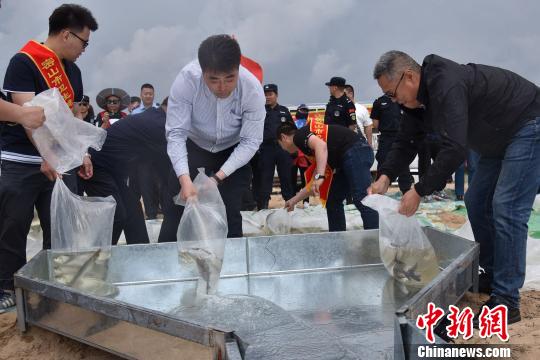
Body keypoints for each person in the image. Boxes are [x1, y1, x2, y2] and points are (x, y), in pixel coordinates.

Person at [370, 50, 540, 324]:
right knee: (476, 200)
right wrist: (385, 176)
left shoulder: (446, 85)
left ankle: (507, 301)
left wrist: (419, 190)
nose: (393, 100)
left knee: (506, 207)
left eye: (392, 93)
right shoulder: (417, 103)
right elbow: (406, 141)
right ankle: (496, 274)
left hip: (527, 123)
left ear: (409, 77)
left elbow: (455, 149)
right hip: (496, 140)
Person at [0, 3, 98, 311]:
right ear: (67, 35)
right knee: (13, 227)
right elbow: (30, 118)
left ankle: (52, 288)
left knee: (60, 226)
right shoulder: (24, 62)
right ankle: (8, 287)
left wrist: (80, 152)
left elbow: (69, 120)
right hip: (21, 162)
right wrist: (49, 154)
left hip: (57, 163)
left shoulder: (74, 71)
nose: (85, 48)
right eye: (84, 41)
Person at [161, 34, 265, 242]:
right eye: (213, 80)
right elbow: (176, 134)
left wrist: (218, 178)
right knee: (176, 208)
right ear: (202, 71)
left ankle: (232, 269)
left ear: (238, 68)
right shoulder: (186, 81)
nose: (222, 87)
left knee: (229, 212)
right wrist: (185, 178)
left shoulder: (252, 89)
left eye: (229, 78)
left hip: (232, 150)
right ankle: (167, 267)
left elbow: (251, 141)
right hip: (194, 146)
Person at [80, 98, 171, 245]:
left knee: (134, 212)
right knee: (117, 215)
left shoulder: (156, 117)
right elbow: (166, 164)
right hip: (95, 168)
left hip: (113, 171)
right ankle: (99, 257)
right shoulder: (159, 123)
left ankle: (141, 256)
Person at [278, 121, 378, 231]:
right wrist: (293, 201)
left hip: (355, 150)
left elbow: (321, 146)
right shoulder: (312, 149)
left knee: (362, 198)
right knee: (333, 200)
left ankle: (374, 237)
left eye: (280, 145)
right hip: (347, 158)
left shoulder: (299, 137)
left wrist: (319, 176)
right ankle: (336, 237)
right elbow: (313, 184)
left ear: (283, 137)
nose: (283, 149)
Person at [254, 83, 294, 209]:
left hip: (282, 149)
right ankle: (263, 205)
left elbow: (292, 130)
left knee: (286, 176)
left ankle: (290, 203)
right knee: (265, 178)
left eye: (270, 94)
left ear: (276, 95)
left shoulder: (284, 111)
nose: (267, 97)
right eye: (265, 95)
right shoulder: (259, 111)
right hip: (266, 149)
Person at [371, 94, 414, 194]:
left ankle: (406, 190)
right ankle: (379, 191)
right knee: (382, 161)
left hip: (402, 137)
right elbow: (375, 123)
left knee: (403, 162)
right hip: (386, 137)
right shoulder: (379, 102)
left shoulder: (403, 99)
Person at [290, 104, 311, 198]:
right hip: (293, 156)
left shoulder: (309, 124)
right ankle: (292, 198)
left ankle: (306, 201)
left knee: (305, 179)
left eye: (305, 110)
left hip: (305, 157)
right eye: (302, 110)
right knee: (291, 179)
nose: (304, 112)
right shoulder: (292, 124)